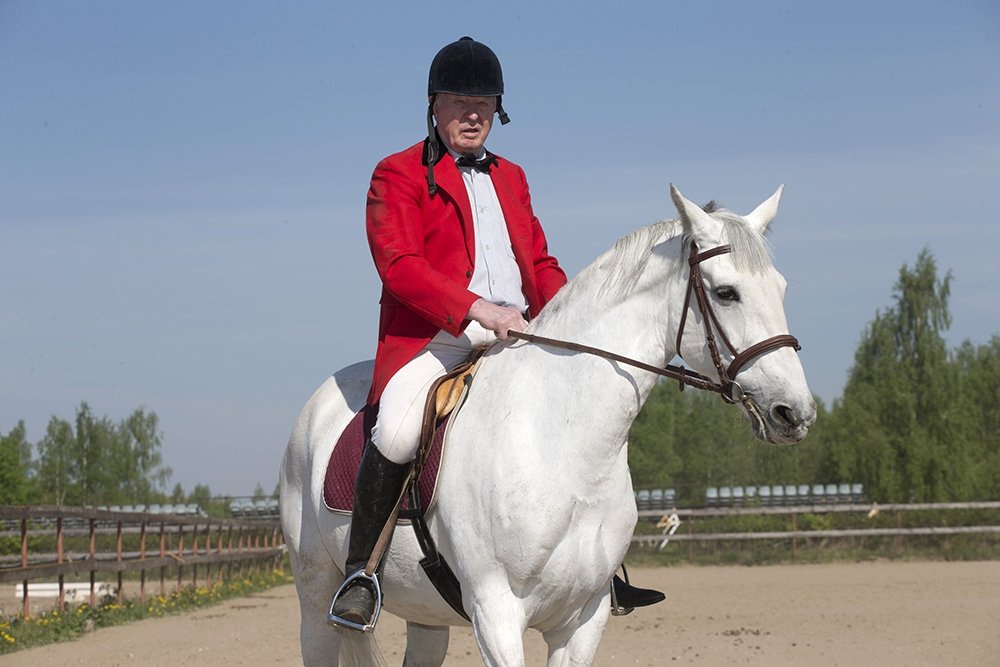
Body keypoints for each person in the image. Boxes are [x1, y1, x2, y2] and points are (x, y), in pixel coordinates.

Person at [329, 36, 663, 630]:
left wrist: (571, 319)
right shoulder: (397, 172)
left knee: (586, 412)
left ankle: (599, 568)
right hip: (435, 339)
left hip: (516, 333)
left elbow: (536, 260)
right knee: (401, 431)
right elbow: (399, 264)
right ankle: (362, 571)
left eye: (484, 101)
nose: (473, 112)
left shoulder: (513, 176)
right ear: (434, 105)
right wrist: (477, 308)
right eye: (460, 100)